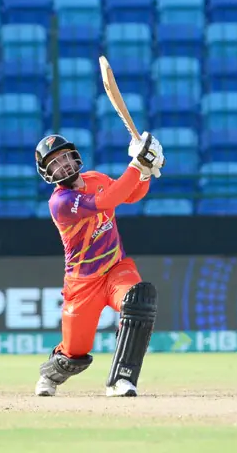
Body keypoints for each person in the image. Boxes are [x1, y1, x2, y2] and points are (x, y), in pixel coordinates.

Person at [33, 131, 163, 398]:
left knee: (138, 301)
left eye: (64, 158)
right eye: (54, 164)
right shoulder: (60, 202)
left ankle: (121, 379)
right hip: (83, 284)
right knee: (74, 356)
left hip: (116, 269)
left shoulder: (96, 179)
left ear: (74, 156)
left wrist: (145, 173)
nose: (63, 165)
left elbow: (131, 195)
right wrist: (137, 164)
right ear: (48, 173)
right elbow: (106, 201)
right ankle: (49, 374)